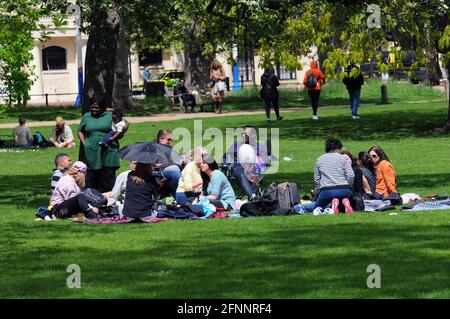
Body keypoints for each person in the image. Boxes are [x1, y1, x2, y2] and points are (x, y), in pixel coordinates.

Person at [294, 139, 354, 214]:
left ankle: (298, 208)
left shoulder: (319, 159)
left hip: (327, 190)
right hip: (344, 190)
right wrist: (348, 186)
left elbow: (317, 180)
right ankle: (343, 202)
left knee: (317, 206)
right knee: (339, 199)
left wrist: (315, 193)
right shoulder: (343, 158)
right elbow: (351, 175)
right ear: (338, 148)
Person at [77, 96, 121, 193]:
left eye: (96, 107)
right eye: (92, 107)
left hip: (108, 149)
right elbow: (80, 131)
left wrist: (115, 136)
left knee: (109, 174)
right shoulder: (87, 116)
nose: (94, 109)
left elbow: (123, 124)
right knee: (92, 175)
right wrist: (85, 143)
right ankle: (93, 198)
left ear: (102, 107)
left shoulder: (110, 115)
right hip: (92, 149)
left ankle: (112, 197)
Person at [222, 125, 270, 200]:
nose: (243, 135)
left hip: (255, 170)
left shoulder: (260, 147)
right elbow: (225, 157)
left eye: (245, 134)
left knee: (257, 175)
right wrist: (225, 166)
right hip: (238, 169)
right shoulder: (236, 145)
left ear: (253, 135)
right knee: (241, 172)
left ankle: (252, 198)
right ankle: (252, 197)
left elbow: (265, 161)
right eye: (242, 134)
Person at [154, 129, 182, 198]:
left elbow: (179, 161)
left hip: (170, 171)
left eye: (171, 140)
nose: (170, 141)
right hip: (158, 173)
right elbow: (153, 165)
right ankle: (176, 197)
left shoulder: (170, 149)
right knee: (174, 170)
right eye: (169, 139)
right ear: (161, 139)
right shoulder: (154, 149)